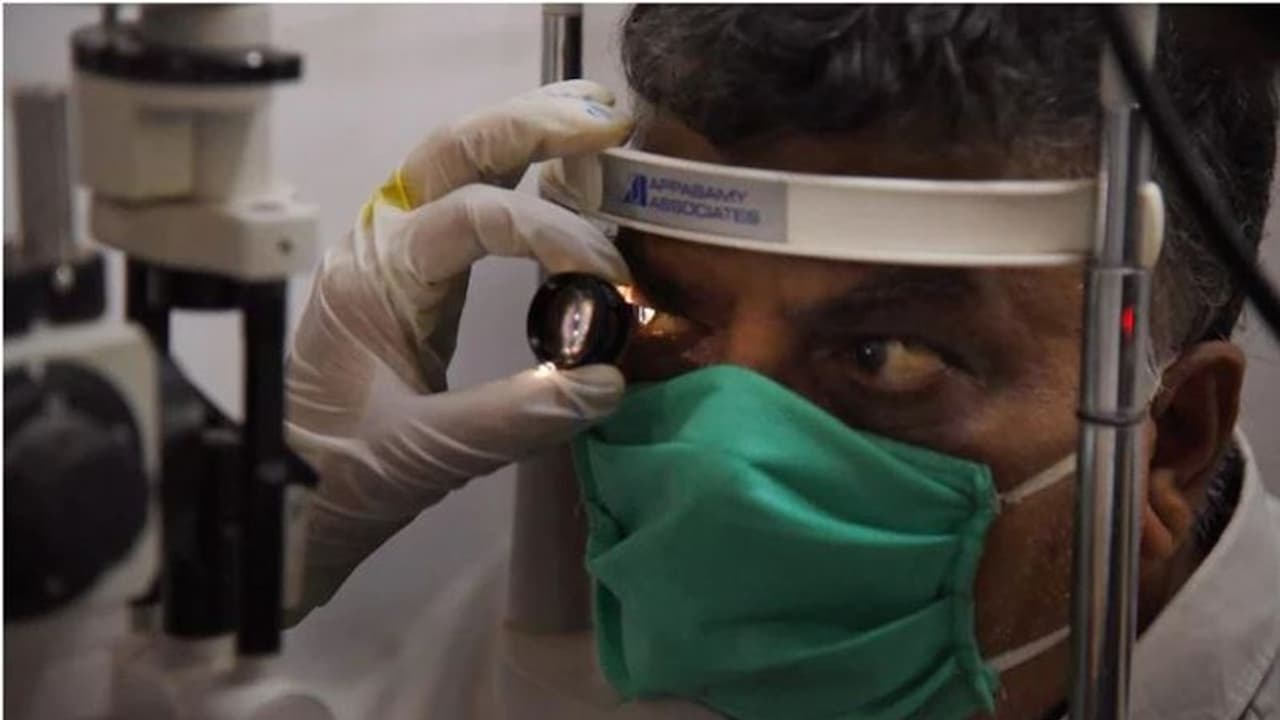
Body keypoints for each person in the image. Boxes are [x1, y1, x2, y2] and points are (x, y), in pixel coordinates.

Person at [285, 6, 1279, 719]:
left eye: (883, 355)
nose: (720, 469)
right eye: (662, 315)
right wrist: (264, 560)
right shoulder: (557, 619)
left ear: (1172, 444)